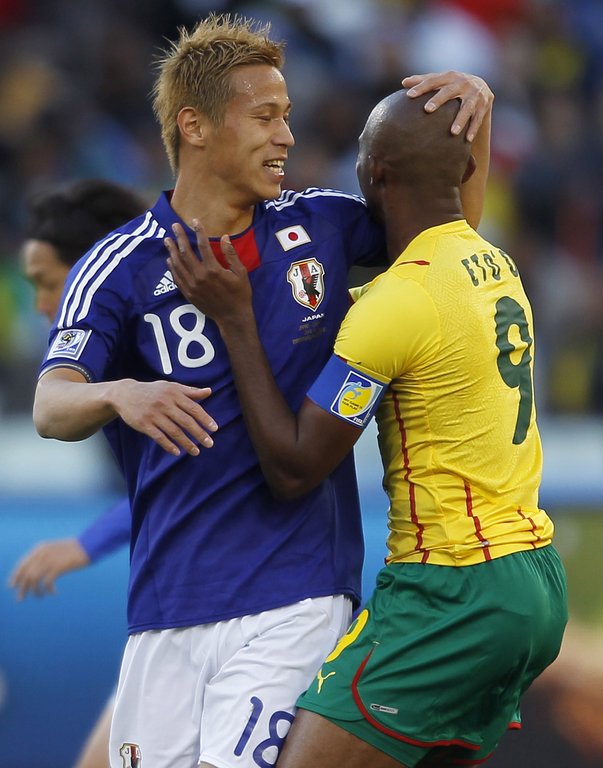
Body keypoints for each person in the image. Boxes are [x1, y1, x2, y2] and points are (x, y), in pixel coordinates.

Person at [32, 13, 493, 768]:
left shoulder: (323, 227)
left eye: (287, 116)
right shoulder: (119, 264)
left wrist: (474, 116)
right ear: (195, 127)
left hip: (295, 595)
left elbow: (451, 232)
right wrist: (120, 394)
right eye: (265, 117)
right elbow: (51, 405)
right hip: (166, 606)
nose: (286, 136)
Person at [165, 89, 568, 768]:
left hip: (451, 590)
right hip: (533, 581)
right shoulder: (491, 262)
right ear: (467, 171)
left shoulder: (396, 304)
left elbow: (295, 468)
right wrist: (480, 110)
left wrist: (234, 319)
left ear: (374, 170)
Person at [9, 178, 147, 768]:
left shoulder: (159, 357)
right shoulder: (105, 368)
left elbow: (194, 485)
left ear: (93, 272)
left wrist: (84, 545)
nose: (42, 304)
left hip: (234, 609)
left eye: (47, 282)